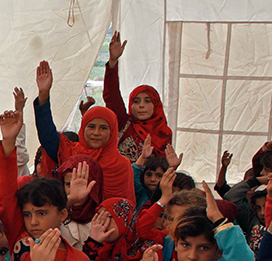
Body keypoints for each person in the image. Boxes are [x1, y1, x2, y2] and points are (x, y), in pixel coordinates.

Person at [32, 60, 134, 204]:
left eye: (103, 128)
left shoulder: (121, 165)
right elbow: (47, 134)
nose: (96, 132)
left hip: (106, 224)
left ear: (112, 133)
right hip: (67, 221)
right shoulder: (70, 153)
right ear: (82, 127)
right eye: (91, 126)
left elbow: (125, 207)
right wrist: (44, 95)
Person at [102, 31, 173, 163]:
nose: (141, 105)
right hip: (122, 181)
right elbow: (112, 96)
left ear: (156, 106)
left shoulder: (163, 133)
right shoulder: (124, 123)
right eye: (136, 101)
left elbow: (163, 167)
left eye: (147, 101)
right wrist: (113, 61)